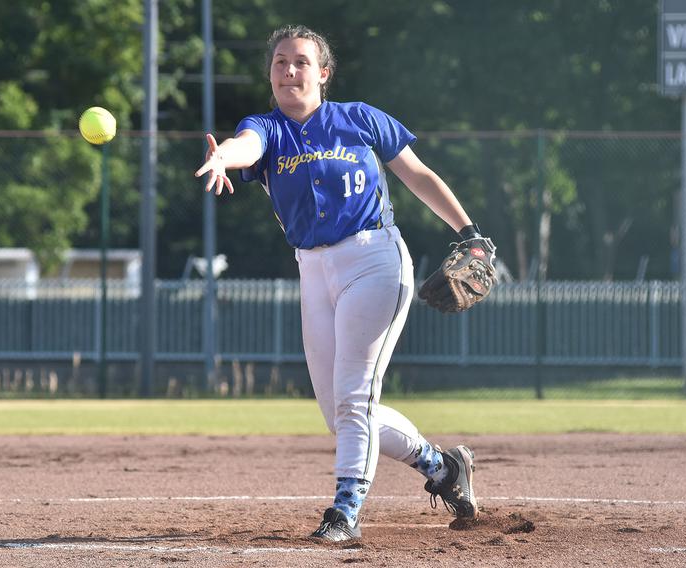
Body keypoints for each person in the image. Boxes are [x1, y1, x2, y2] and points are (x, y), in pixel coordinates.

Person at [195, 24, 485, 542]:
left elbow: (417, 175)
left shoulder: (358, 119)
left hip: (374, 260)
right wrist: (222, 156)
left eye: (302, 61)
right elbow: (245, 145)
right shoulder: (265, 129)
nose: (289, 70)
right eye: (280, 61)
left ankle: (345, 509)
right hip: (313, 270)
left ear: (323, 74)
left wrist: (470, 234)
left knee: (355, 398)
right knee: (340, 412)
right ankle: (443, 467)